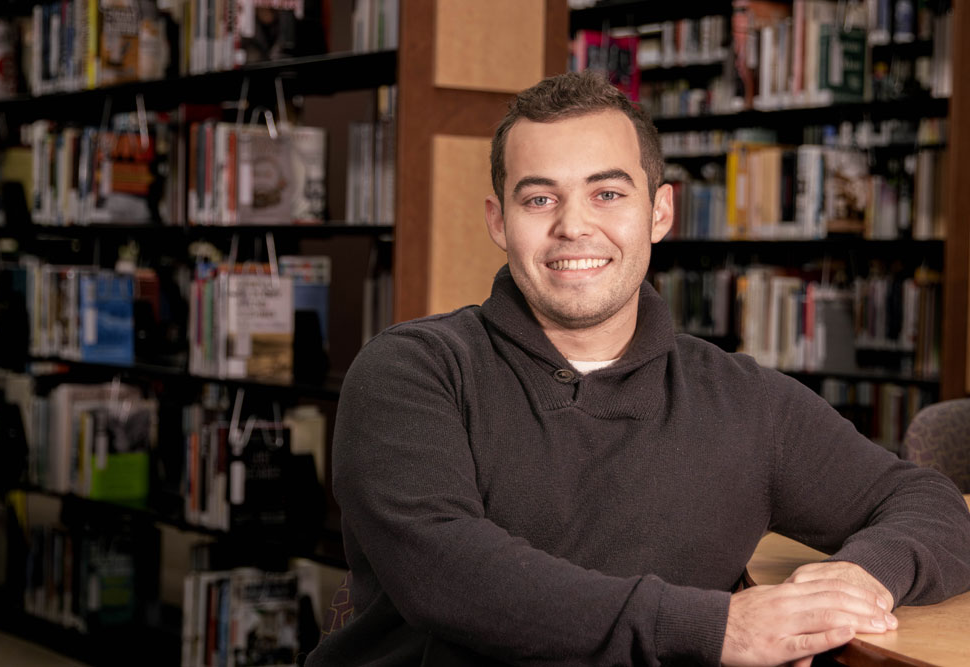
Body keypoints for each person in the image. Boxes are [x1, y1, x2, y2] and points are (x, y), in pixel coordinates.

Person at [305, 71, 970, 666]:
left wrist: (860, 577)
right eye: (539, 199)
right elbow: (446, 571)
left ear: (660, 212)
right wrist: (717, 628)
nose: (574, 226)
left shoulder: (744, 400)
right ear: (498, 221)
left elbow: (929, 502)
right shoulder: (413, 370)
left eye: (607, 194)